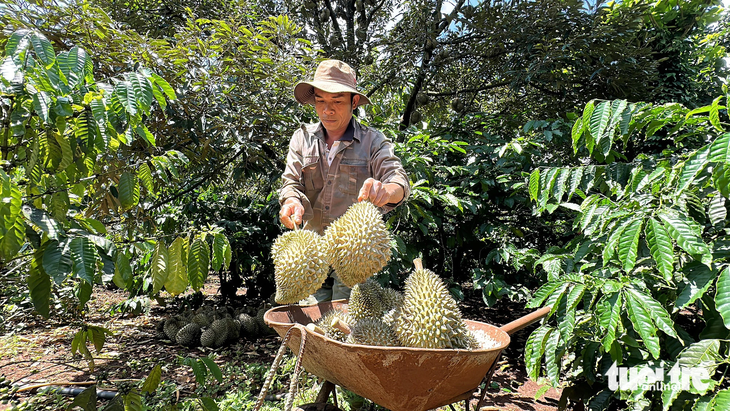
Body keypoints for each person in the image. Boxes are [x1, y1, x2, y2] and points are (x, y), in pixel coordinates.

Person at [278, 59, 410, 303]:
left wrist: (386, 191)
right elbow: (291, 183)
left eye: (337, 101)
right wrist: (291, 200)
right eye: (320, 101)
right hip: (311, 251)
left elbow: (398, 181)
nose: (327, 110)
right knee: (312, 326)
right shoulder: (302, 138)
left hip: (354, 254)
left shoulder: (372, 141)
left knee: (347, 325)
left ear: (354, 101)